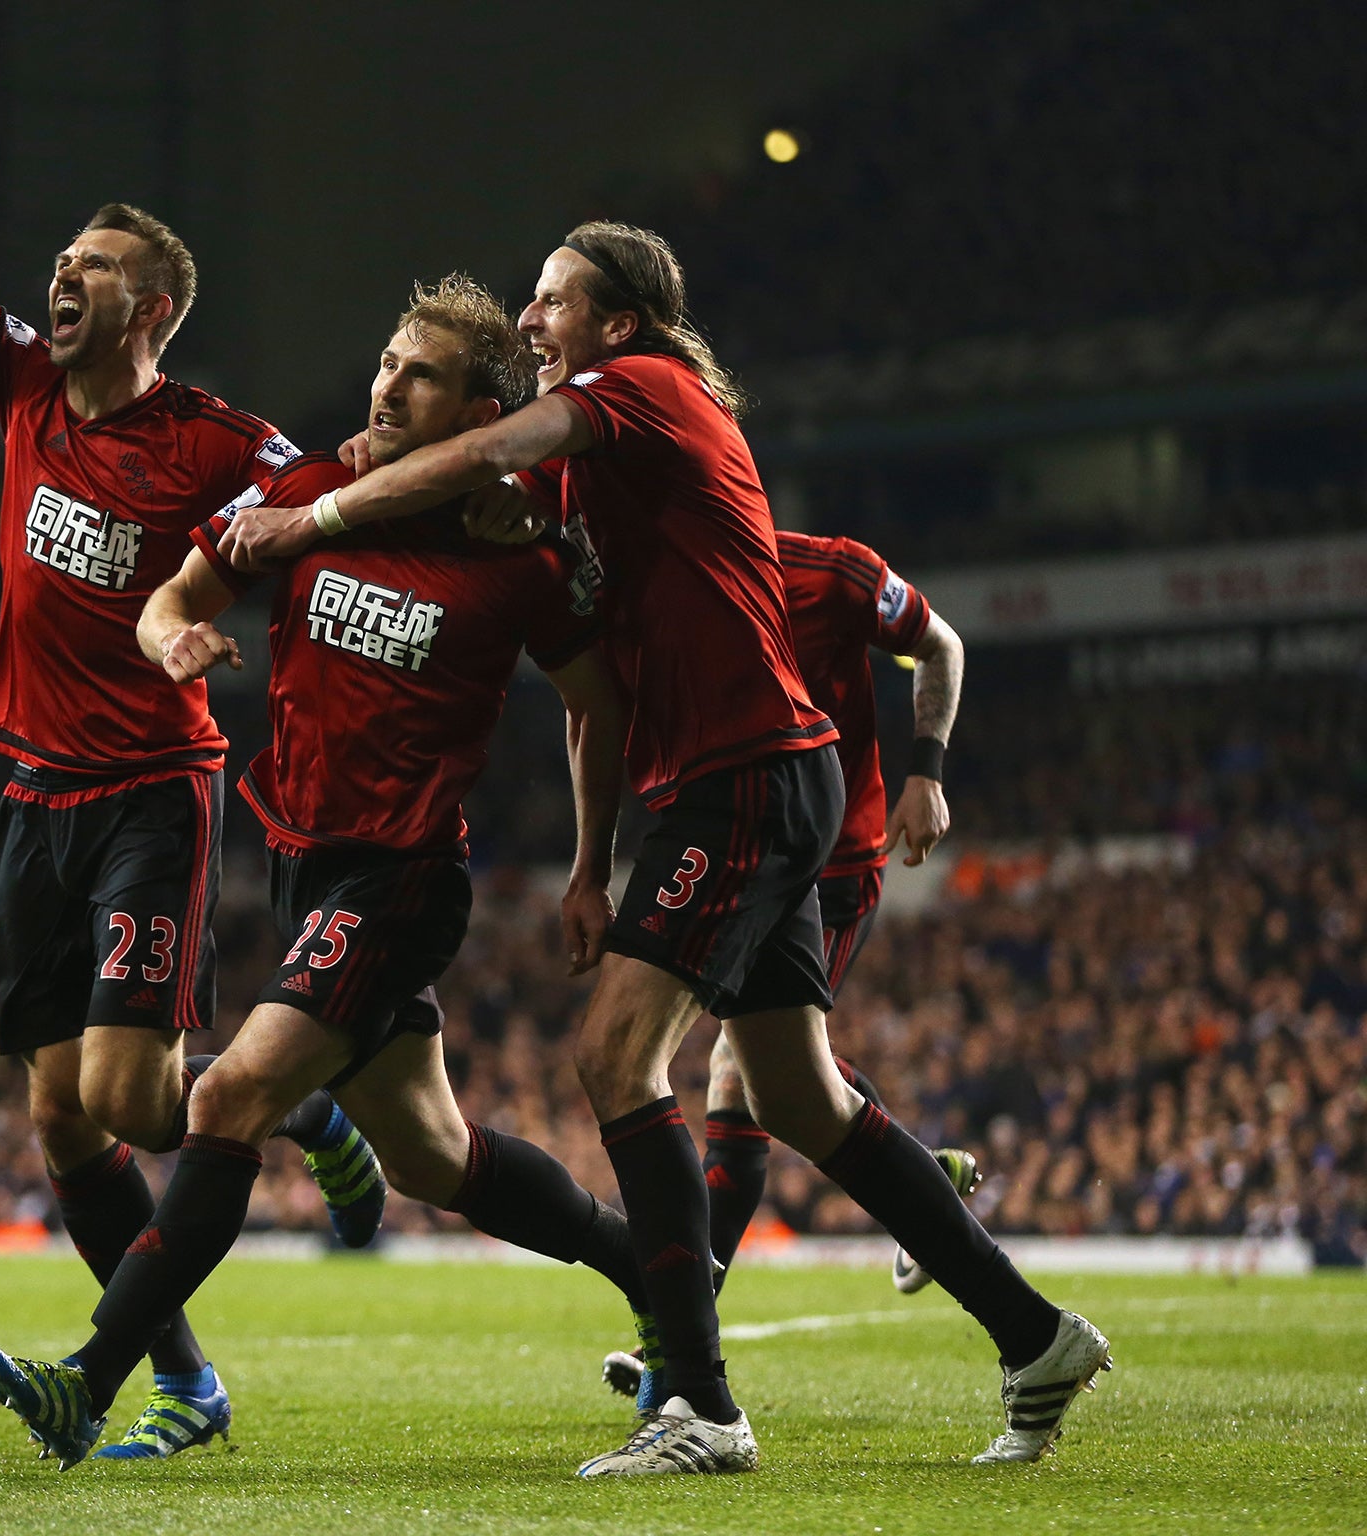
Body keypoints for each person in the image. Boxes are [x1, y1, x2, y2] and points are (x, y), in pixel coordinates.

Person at [222, 222, 1110, 1474]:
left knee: (614, 1057)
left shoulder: (641, 390)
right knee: (798, 1095)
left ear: (616, 323)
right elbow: (537, 582)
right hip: (735, 782)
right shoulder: (596, 468)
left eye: (550, 302)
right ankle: (1032, 1337)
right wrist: (590, 860)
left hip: (742, 777)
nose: (529, 323)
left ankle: (697, 1402)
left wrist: (313, 522)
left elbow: (489, 451)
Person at [0, 14, 385, 1462]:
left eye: (96, 266)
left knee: (135, 1103)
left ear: (157, 301)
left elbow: (341, 497)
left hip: (149, 795)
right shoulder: (27, 384)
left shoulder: (221, 443)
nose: (64, 274)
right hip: (30, 794)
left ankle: (296, 1106)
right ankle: (186, 1379)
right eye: (63, 259)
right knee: (64, 1123)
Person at [0, 275, 656, 1467]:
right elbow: (174, 590)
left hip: (398, 881)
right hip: (298, 864)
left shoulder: (522, 550)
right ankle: (660, 1275)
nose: (386, 384)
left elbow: (596, 708)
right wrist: (170, 637)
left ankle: (92, 1377)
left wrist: (594, 862)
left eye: (420, 374)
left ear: (480, 409)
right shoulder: (307, 490)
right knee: (435, 1156)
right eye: (386, 362)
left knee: (228, 1097)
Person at [601, 532, 979, 1405]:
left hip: (833, 859)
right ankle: (925, 1180)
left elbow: (941, 644)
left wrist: (927, 772)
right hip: (746, 853)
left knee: (741, 1077)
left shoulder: (832, 572)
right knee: (768, 1077)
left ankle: (680, 1348)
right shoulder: (669, 589)